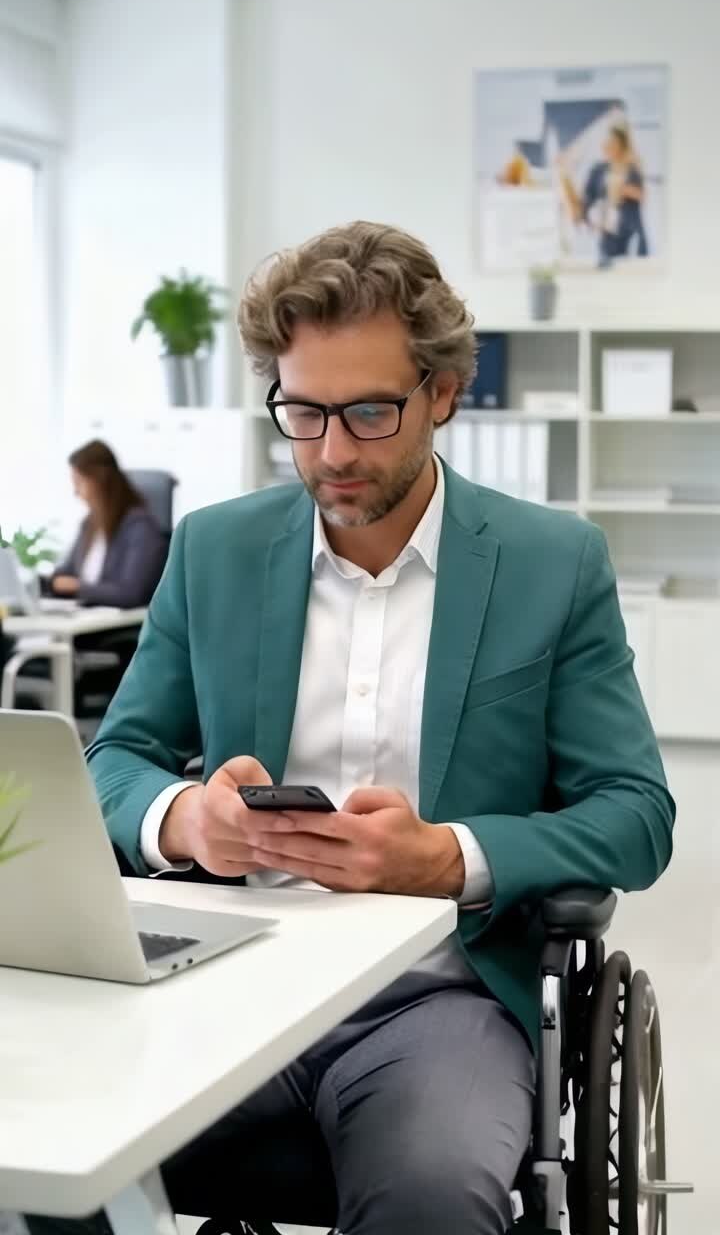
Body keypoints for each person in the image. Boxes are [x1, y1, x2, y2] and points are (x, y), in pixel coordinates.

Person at [26, 222, 674, 1235]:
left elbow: (635, 814)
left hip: (441, 997)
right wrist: (185, 820)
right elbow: (117, 757)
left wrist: (445, 857)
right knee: (47, 1151)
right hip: (226, 977)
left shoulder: (554, 563)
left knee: (432, 1194)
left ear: (442, 393)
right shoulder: (213, 550)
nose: (331, 451)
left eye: (371, 412)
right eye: (304, 412)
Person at [48, 440, 169, 609]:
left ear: (100, 480)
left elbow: (130, 594)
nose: (76, 492)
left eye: (79, 482)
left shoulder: (140, 528)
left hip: (120, 622)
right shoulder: (89, 524)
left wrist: (77, 586)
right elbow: (66, 572)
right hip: (87, 616)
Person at [582, 124, 648, 266]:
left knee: (635, 271)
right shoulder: (597, 170)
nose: (608, 146)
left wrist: (624, 190)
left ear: (622, 146)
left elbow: (642, 196)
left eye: (613, 142)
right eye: (607, 142)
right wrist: (591, 220)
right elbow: (587, 201)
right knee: (608, 270)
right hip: (607, 235)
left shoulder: (632, 169)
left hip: (631, 233)